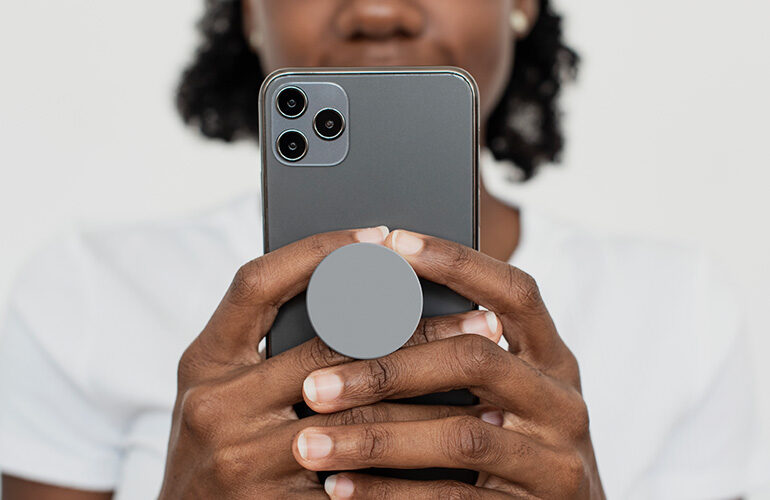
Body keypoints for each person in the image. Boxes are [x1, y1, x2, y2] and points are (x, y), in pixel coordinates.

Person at [0, 1, 758, 499]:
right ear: (248, 12)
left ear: (522, 3)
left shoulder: (680, 307)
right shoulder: (87, 291)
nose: (377, 12)